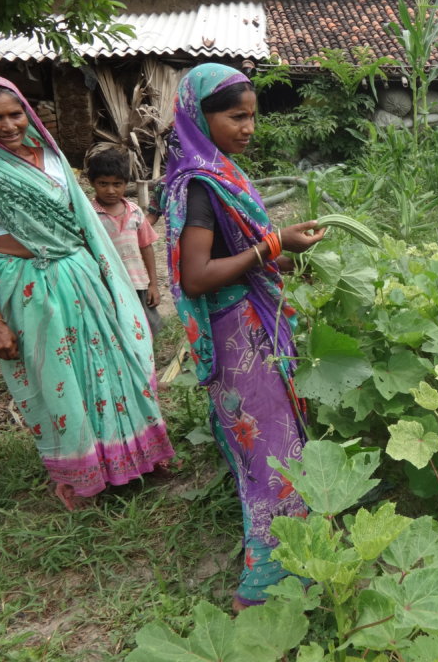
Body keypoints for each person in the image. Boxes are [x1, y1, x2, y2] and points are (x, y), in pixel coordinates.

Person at [0, 75, 175, 510]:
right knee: (59, 379)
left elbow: (80, 223)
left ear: (28, 112)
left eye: (15, 113)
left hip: (81, 275)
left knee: (112, 363)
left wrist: (108, 279)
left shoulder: (54, 159)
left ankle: (137, 453)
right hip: (27, 285)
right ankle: (81, 475)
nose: (8, 125)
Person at [162, 63, 325, 610]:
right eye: (236, 117)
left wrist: (286, 255)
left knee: (273, 440)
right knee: (267, 446)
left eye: (253, 116)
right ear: (200, 117)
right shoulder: (200, 184)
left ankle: (297, 543)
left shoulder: (221, 169)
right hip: (236, 330)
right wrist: (274, 246)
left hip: (252, 322)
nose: (249, 127)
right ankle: (267, 585)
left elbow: (236, 253)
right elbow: (196, 276)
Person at [87, 149, 163, 335]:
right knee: (116, 331)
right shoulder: (88, 214)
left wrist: (153, 284)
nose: (110, 190)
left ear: (126, 183)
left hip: (137, 283)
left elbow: (146, 246)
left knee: (145, 329)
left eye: (117, 184)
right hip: (106, 286)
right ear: (92, 182)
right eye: (103, 184)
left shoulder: (135, 211)